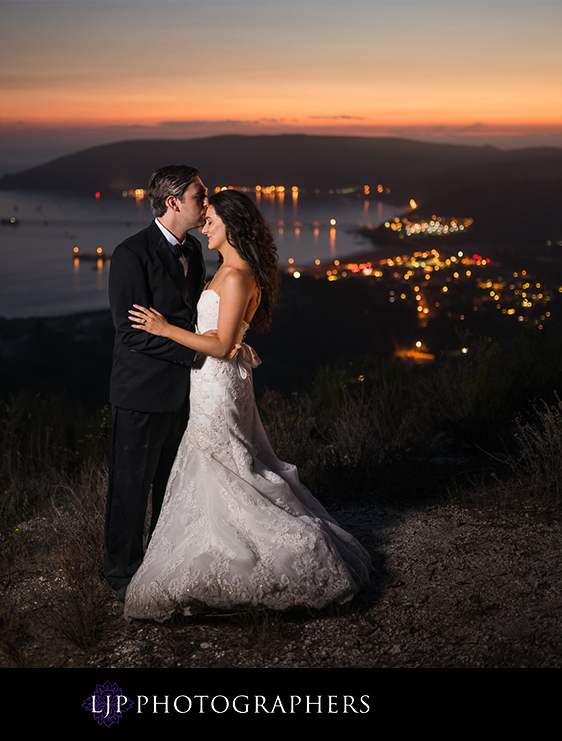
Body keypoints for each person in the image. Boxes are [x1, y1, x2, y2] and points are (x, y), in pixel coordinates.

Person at [124, 189, 371, 621]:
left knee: (228, 461)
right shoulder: (226, 268)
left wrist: (164, 330)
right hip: (206, 383)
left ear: (233, 226)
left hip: (218, 383)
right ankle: (213, 543)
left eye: (213, 219)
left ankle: (254, 553)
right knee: (216, 462)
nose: (205, 224)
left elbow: (220, 345)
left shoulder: (237, 277)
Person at [104, 165, 208, 602]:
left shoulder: (197, 250)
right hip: (141, 393)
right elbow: (131, 332)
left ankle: (161, 560)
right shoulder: (130, 254)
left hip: (184, 393)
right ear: (173, 202)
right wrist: (196, 353)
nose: (207, 202)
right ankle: (121, 574)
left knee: (171, 482)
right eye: (200, 195)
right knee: (131, 485)